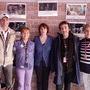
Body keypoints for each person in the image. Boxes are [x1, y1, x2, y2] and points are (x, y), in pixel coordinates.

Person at [52, 21, 80, 90]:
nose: (64, 30)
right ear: (60, 30)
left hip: (70, 69)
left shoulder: (75, 39)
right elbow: (53, 54)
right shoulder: (56, 40)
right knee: (58, 87)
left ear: (69, 28)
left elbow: (77, 54)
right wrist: (53, 68)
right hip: (60, 69)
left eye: (65, 27)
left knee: (67, 88)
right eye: (62, 28)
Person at [34, 23, 53, 90]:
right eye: (41, 29)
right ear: (39, 30)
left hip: (47, 63)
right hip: (37, 63)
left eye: (44, 28)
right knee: (39, 81)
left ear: (47, 30)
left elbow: (52, 52)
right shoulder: (36, 39)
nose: (43, 30)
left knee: (45, 81)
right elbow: (33, 52)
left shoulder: (51, 39)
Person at [0, 13, 16, 90]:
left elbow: (14, 47)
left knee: (9, 84)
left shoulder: (13, 33)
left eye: (6, 20)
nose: (4, 21)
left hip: (9, 61)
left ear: (8, 21)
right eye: (3, 20)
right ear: (0, 21)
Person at [79, 24, 90, 90]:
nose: (88, 32)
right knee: (86, 86)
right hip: (84, 68)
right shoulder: (81, 42)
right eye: (86, 31)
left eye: (89, 31)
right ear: (83, 32)